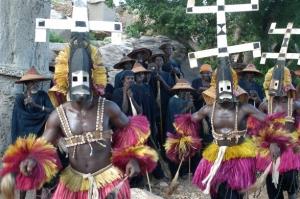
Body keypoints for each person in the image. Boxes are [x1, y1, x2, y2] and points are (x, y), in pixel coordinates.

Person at [0, 33, 158, 199]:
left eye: (84, 77)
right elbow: (43, 144)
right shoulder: (58, 116)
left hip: (108, 181)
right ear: (66, 80)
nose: (80, 83)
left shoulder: (108, 108)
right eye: (75, 78)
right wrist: (32, 158)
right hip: (73, 184)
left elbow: (130, 131)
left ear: (92, 78)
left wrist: (131, 158)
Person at [176, 58, 266, 198]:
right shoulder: (208, 109)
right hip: (215, 154)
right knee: (216, 192)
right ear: (215, 89)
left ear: (234, 88)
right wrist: (183, 141)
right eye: (221, 88)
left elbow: (270, 122)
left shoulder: (244, 108)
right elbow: (186, 122)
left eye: (228, 87)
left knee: (233, 194)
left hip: (239, 157)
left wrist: (272, 141)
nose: (224, 91)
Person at [253, 65, 300, 199]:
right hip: (270, 153)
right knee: (274, 192)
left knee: (292, 190)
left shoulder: (294, 104)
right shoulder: (264, 106)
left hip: (290, 152)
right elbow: (258, 130)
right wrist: (270, 143)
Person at [11, 66, 53, 199]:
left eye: (36, 81)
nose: (34, 83)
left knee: (40, 169)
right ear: (26, 84)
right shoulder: (20, 98)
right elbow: (20, 120)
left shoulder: (42, 96)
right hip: (24, 139)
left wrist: (36, 106)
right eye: (31, 82)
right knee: (24, 171)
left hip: (40, 137)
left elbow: (52, 111)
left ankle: (38, 197)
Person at [149, 50, 175, 147]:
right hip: (155, 105)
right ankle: (157, 145)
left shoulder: (167, 75)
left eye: (160, 60)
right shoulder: (151, 75)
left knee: (166, 125)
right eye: (157, 60)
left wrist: (162, 80)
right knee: (156, 125)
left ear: (163, 62)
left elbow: (171, 90)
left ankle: (166, 146)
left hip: (166, 104)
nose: (158, 62)